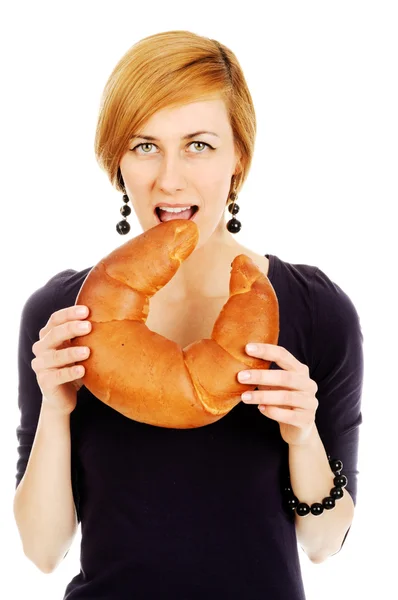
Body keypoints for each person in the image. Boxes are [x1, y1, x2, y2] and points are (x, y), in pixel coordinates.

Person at [13, 30, 364, 600]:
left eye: (198, 144)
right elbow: (41, 550)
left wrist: (303, 436)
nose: (169, 178)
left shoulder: (316, 310)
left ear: (238, 159)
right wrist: (56, 406)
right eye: (144, 145)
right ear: (117, 160)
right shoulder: (63, 315)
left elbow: (325, 543)